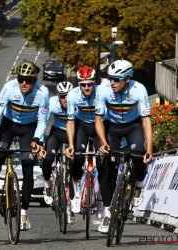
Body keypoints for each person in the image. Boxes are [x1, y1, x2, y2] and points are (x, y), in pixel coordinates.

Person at [0, 60, 49, 230]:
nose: (23, 83)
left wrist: (37, 140)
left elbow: (43, 122)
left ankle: (24, 214)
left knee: (28, 166)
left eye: (28, 80)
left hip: (29, 127)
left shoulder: (43, 93)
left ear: (34, 80)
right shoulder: (9, 87)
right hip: (8, 124)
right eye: (21, 79)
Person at [95, 59, 153, 233]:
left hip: (133, 126)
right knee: (106, 168)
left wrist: (149, 149)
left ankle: (139, 183)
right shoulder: (103, 89)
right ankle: (107, 213)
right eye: (110, 78)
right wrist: (104, 143)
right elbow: (98, 120)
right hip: (111, 127)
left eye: (116, 79)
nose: (112, 82)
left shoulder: (139, 90)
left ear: (127, 79)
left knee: (138, 154)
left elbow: (146, 122)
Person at [64, 66, 104, 218]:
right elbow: (70, 122)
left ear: (94, 82)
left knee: (102, 163)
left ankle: (100, 198)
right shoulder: (72, 95)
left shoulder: (102, 92)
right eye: (83, 84)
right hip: (82, 126)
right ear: (78, 84)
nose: (86, 87)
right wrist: (71, 145)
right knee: (78, 157)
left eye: (89, 84)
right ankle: (75, 195)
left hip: (100, 126)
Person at [38, 81, 76, 224]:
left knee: (74, 168)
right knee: (47, 158)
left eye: (68, 96)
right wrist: (40, 144)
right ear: (58, 96)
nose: (66, 99)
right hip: (57, 132)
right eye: (62, 96)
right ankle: (48, 184)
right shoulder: (52, 103)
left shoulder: (77, 103)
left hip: (73, 133)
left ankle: (72, 204)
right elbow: (42, 123)